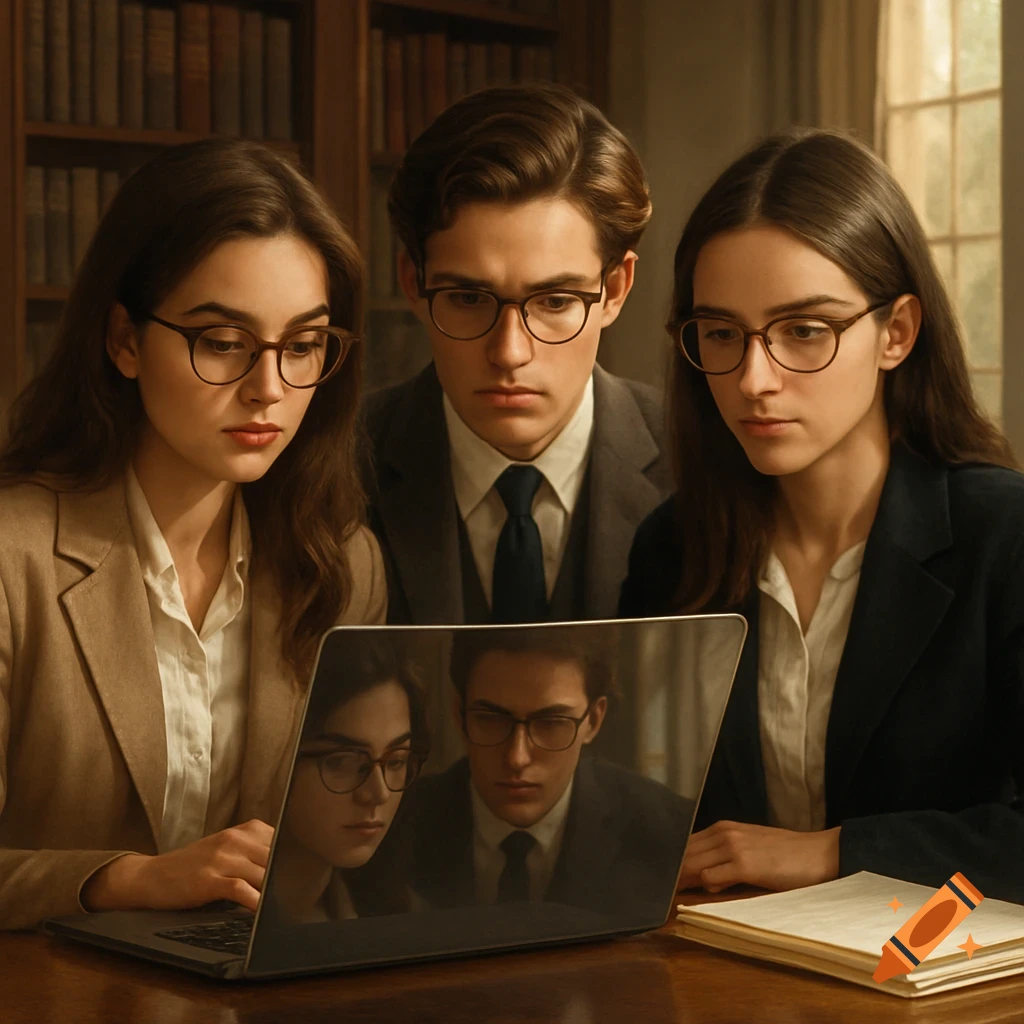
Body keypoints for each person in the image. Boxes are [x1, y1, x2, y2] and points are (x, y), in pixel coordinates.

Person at [619, 128, 1024, 904]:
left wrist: (833, 852)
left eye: (804, 330)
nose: (753, 379)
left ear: (896, 333)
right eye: (722, 334)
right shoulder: (672, 548)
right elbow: (635, 819)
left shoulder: (1001, 537)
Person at [0, 139, 387, 930]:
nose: (269, 389)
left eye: (304, 345)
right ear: (124, 340)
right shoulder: (14, 558)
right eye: (223, 342)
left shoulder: (344, 564)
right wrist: (124, 880)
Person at [365, 84, 672, 625]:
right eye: (467, 298)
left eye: (555, 300)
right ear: (413, 283)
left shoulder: (702, 467)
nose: (509, 352)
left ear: (616, 289)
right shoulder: (333, 469)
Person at [403, 628, 692, 917]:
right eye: (491, 720)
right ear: (459, 715)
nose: (517, 758)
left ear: (592, 720)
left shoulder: (670, 831)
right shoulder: (395, 826)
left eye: (551, 723)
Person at [269, 639, 430, 922]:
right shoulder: (220, 914)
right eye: (344, 761)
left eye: (396, 761)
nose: (378, 793)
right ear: (285, 756)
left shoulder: (403, 917)